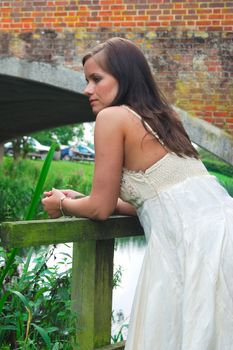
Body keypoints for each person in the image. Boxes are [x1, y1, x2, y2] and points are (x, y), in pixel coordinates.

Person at [42, 37, 233, 349]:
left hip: (195, 246)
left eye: (96, 79)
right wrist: (82, 199)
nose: (87, 90)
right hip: (221, 232)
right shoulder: (165, 118)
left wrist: (62, 203)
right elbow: (160, 201)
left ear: (126, 77)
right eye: (86, 80)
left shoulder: (111, 118)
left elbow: (100, 210)